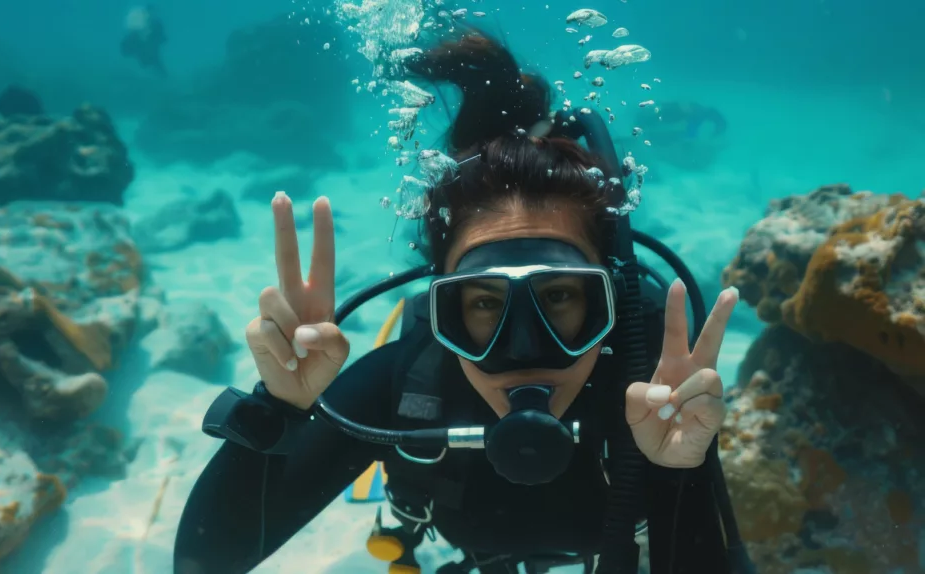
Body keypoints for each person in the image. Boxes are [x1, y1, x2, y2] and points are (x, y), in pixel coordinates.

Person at [174, 30, 753, 574]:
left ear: (609, 297)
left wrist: (684, 470)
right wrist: (277, 407)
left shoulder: (650, 377)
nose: (524, 352)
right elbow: (205, 564)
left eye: (557, 296)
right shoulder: (412, 382)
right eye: (481, 304)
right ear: (441, 300)